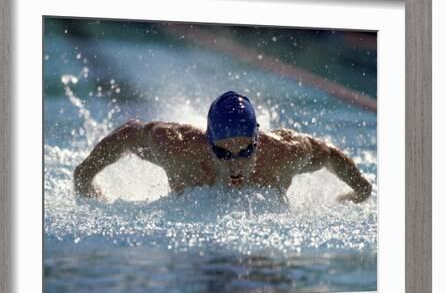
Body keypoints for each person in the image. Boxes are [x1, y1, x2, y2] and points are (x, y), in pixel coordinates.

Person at [73, 90, 372, 203]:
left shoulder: (283, 153)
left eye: (244, 151)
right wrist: (85, 176)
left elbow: (329, 154)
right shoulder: (179, 150)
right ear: (208, 142)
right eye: (222, 152)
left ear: (258, 141)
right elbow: (130, 133)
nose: (235, 163)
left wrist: (359, 189)